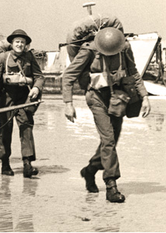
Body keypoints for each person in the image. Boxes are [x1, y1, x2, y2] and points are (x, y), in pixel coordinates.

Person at [62, 27, 151, 203]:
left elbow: (133, 72)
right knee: (108, 139)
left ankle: (90, 170)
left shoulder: (124, 48)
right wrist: (68, 104)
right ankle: (111, 185)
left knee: (111, 140)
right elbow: (68, 76)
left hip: (117, 97)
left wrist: (145, 96)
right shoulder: (88, 51)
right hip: (96, 97)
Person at [0, 30, 44, 178]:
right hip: (6, 98)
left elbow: (39, 77)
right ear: (12, 44)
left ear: (26, 45)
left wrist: (36, 88)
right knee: (5, 130)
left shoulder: (29, 57)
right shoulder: (3, 57)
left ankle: (27, 164)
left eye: (22, 42)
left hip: (24, 98)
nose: (20, 44)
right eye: (17, 42)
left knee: (26, 127)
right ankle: (5, 164)